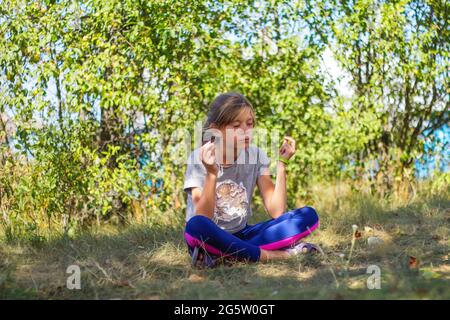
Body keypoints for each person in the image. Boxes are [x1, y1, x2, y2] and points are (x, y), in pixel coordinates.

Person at [184, 92, 320, 267]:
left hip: (243, 234)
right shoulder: (198, 158)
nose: (246, 131)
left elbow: (277, 211)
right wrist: (211, 173)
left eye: (249, 124)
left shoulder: (256, 155)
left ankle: (224, 255)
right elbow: (203, 217)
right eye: (236, 125)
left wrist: (281, 164)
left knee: (308, 216)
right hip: (208, 235)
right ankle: (284, 255)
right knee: (196, 226)